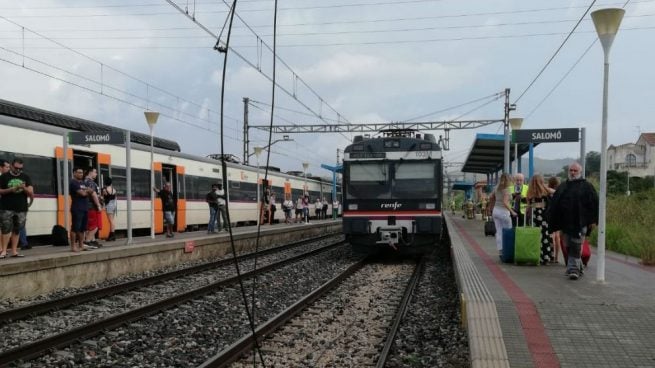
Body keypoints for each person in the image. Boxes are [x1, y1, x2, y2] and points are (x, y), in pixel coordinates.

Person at [547, 162, 599, 280]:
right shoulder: (563, 186)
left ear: (580, 172)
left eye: (575, 170)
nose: (573, 172)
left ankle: (573, 269)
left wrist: (593, 220)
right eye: (571, 170)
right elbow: (555, 203)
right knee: (568, 245)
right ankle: (578, 266)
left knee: (576, 244)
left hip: (581, 222)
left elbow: (594, 204)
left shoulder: (587, 186)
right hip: (565, 223)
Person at [0, 158, 34, 258]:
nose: (18, 170)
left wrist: (23, 188)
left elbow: (31, 192)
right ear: (11, 165)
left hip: (21, 208)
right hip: (6, 207)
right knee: (6, 229)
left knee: (17, 229)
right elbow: (0, 191)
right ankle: (4, 251)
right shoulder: (4, 177)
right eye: (16, 168)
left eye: (20, 168)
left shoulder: (26, 177)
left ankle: (14, 251)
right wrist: (12, 189)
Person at [527, 174, 555, 265]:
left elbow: (528, 206)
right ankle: (546, 257)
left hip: (534, 215)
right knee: (545, 235)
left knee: (535, 235)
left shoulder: (530, 192)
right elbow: (555, 192)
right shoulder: (545, 190)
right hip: (544, 215)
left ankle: (536, 256)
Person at [490, 173, 517, 257]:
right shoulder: (507, 189)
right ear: (509, 180)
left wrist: (491, 207)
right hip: (504, 212)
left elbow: (490, 197)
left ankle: (501, 251)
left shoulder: (496, 187)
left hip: (495, 211)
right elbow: (505, 202)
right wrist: (512, 211)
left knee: (499, 231)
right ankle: (508, 250)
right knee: (508, 232)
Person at [69, 167, 93, 252]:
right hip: (77, 208)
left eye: (82, 173)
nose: (81, 174)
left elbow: (91, 191)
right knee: (75, 228)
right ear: (74, 173)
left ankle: (81, 245)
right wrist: (87, 191)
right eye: (79, 173)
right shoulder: (73, 183)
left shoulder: (83, 183)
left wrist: (86, 191)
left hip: (85, 208)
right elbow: (82, 193)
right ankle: (73, 246)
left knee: (82, 228)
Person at [84, 168, 103, 248]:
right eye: (95, 172)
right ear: (90, 172)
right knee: (94, 226)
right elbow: (94, 194)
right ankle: (87, 241)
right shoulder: (90, 182)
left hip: (86, 206)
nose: (96, 174)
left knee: (89, 226)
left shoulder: (84, 182)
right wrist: (98, 205)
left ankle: (92, 240)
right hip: (92, 206)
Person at [547, 176, 562, 263]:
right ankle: (556, 257)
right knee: (557, 237)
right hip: (558, 214)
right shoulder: (560, 192)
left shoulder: (547, 191)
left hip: (551, 214)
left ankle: (551, 255)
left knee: (552, 236)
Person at [102, 177, 117, 241]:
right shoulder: (114, 189)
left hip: (109, 205)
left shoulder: (105, 189)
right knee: (112, 220)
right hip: (114, 205)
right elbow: (114, 197)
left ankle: (112, 235)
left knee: (110, 221)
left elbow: (103, 198)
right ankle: (111, 234)